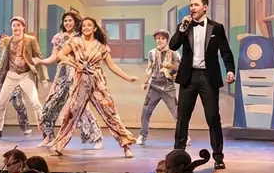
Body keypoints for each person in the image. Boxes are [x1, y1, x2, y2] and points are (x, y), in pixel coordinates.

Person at [50, 17, 137, 158]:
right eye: (84, 25)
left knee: (110, 114)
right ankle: (59, 145)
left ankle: (126, 145)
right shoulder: (75, 42)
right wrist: (72, 63)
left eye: (89, 25)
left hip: (97, 84)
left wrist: (127, 77)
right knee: (71, 114)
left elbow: (112, 66)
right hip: (81, 83)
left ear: (95, 28)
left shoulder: (101, 47)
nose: (86, 27)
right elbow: (61, 54)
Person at [170, 0, 236, 170]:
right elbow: (173, 45)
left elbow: (226, 51)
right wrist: (182, 27)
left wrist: (230, 70)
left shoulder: (217, 28)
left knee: (213, 117)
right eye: (190, 5)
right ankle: (178, 156)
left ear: (205, 7)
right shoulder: (185, 26)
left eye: (196, 5)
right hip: (188, 77)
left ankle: (218, 156)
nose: (192, 8)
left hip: (208, 77)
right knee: (183, 117)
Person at [33, 11, 102, 148]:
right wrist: (41, 61)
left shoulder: (80, 37)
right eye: (65, 21)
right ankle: (48, 136)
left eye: (70, 21)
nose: (67, 23)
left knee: (79, 107)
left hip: (77, 74)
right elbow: (54, 57)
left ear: (76, 22)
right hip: (62, 74)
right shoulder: (59, 38)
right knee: (49, 106)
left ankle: (97, 137)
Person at [0, 17, 49, 138]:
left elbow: (39, 56)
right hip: (11, 75)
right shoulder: (7, 41)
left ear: (23, 27)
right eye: (14, 25)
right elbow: (4, 57)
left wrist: (44, 77)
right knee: (1, 103)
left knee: (35, 103)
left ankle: (44, 130)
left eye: (18, 25)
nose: (16, 28)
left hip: (25, 75)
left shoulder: (30, 40)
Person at [138, 30, 185, 145]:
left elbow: (179, 67)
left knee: (177, 113)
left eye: (162, 38)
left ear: (167, 40)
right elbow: (149, 68)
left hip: (168, 87)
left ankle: (184, 136)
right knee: (146, 112)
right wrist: (145, 82)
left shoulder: (174, 53)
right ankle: (143, 135)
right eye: (157, 38)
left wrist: (169, 65)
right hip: (154, 86)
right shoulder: (152, 53)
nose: (159, 40)